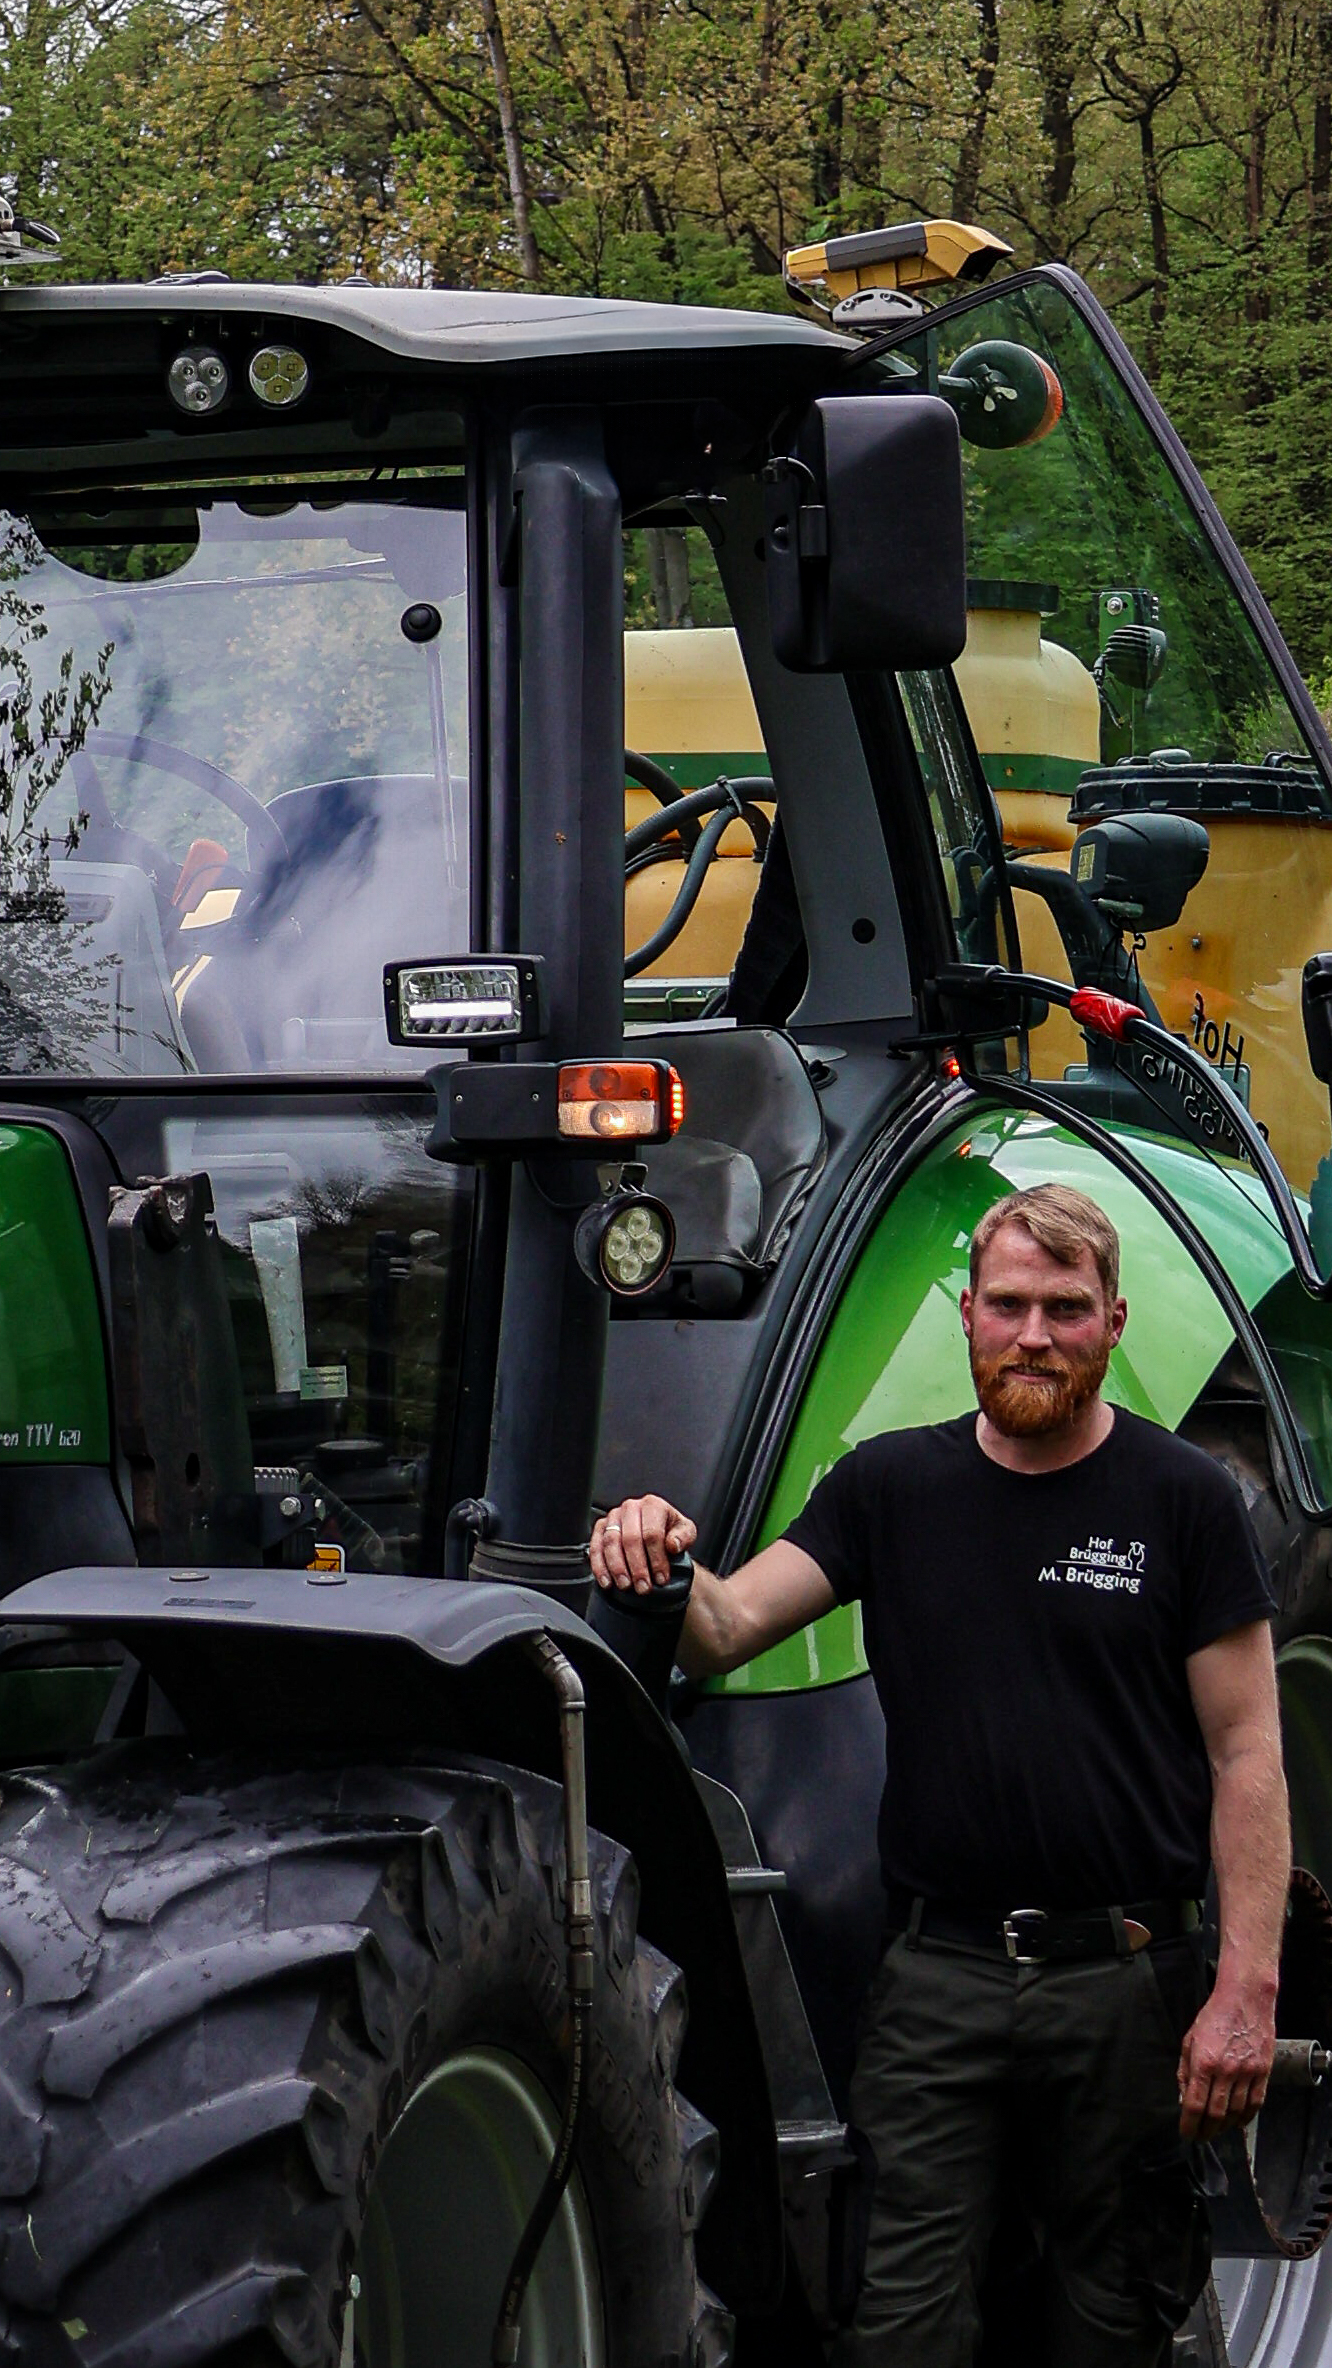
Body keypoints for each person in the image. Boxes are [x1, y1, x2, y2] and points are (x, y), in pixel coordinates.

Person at [591, 1182, 1288, 2367]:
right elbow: (724, 1628)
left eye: (1065, 1309)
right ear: (966, 1315)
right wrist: (652, 1544)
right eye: (1007, 1304)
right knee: (902, 2329)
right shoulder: (888, 1487)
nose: (1033, 1335)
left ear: (1114, 1322)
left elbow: (1247, 1753)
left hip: (1124, 1986)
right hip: (937, 1988)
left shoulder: (1184, 1500)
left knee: (1112, 2328)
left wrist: (1247, 1992)